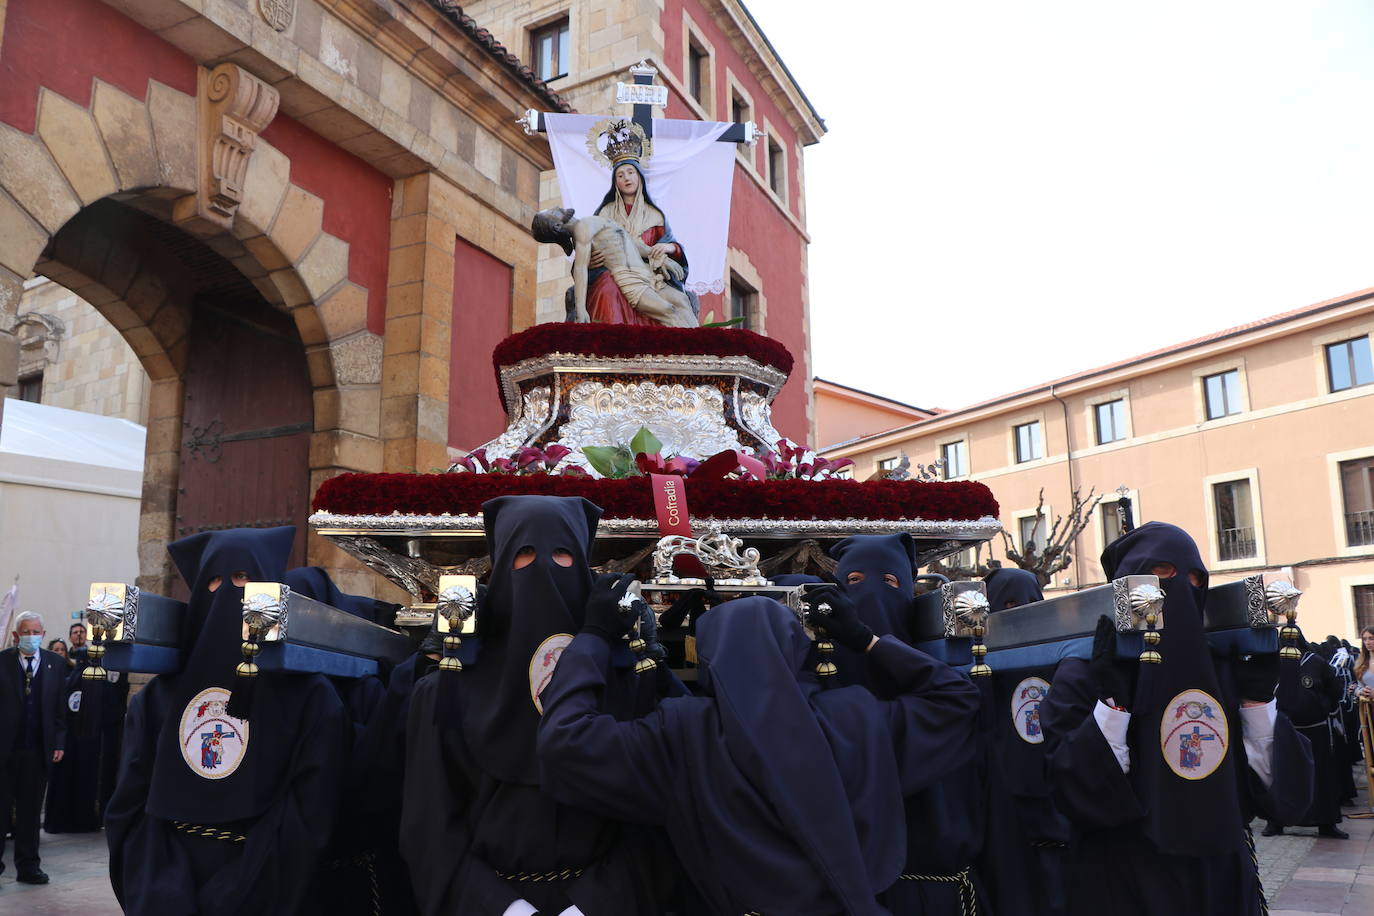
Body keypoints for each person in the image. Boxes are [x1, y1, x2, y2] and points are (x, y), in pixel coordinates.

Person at [536, 590, 980, 915]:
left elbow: (567, 742)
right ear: (797, 651)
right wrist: (865, 639)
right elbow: (957, 701)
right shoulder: (856, 717)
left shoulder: (683, 733)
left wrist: (593, 636)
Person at [400, 495, 681, 915]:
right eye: (524, 553)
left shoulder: (630, 681)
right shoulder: (447, 689)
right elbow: (429, 825)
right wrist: (505, 908)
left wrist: (592, 905)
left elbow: (663, 809)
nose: (543, 568)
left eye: (562, 554)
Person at [1040, 522, 1313, 916]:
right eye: (1163, 572)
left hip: (1222, 880)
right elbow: (1074, 789)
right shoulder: (1083, 671)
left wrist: (1257, 702)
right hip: (1125, 879)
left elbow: (1284, 799)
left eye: (1195, 576)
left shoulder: (1222, 668)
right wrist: (1113, 706)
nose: (1182, 585)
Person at [104, 527, 349, 916]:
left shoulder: (311, 697)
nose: (227, 591)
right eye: (214, 580)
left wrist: (242, 891)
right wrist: (157, 889)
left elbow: (309, 812)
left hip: (266, 887)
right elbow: (131, 803)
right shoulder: (157, 698)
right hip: (163, 886)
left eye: (242, 578)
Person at [816, 533, 990, 914]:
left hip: (938, 891)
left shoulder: (943, 676)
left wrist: (871, 643)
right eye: (855, 583)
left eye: (889, 582)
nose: (872, 595)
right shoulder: (819, 686)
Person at [979, 568, 1072, 916]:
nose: (1023, 613)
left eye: (1032, 604)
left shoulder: (1063, 652)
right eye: (1012, 604)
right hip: (1004, 796)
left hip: (1055, 796)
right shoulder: (978, 657)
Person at [533, 206, 697, 328]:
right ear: (557, 227)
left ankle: (703, 349)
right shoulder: (582, 230)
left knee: (683, 301)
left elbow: (630, 244)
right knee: (669, 312)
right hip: (630, 280)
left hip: (647, 274)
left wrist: (662, 258)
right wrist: (581, 309)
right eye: (552, 212)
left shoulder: (588, 222)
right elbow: (580, 269)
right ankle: (689, 359)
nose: (556, 207)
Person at [0, 611, 68, 884]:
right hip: (4, 750)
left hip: (37, 749)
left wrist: (59, 742)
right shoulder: (2, 662)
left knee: (29, 812)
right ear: (16, 636)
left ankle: (28, 866)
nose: (31, 637)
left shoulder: (55, 663)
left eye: (36, 632)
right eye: (25, 632)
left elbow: (60, 709)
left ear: (43, 633)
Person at [587, 156, 692, 326]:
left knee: (681, 301)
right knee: (608, 288)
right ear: (615, 183)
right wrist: (590, 262)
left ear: (639, 177)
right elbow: (589, 247)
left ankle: (697, 347)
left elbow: (672, 247)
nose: (626, 178)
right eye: (620, 175)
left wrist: (670, 248)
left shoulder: (655, 215)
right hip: (616, 272)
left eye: (630, 172)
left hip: (650, 274)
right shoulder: (605, 214)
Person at [1265, 632, 1347, 838]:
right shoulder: (1273, 664)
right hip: (1284, 730)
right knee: (1281, 776)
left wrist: (1323, 706)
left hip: (1315, 729)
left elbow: (1335, 689)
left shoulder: (1316, 662)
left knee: (1322, 777)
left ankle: (1326, 823)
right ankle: (1276, 822)